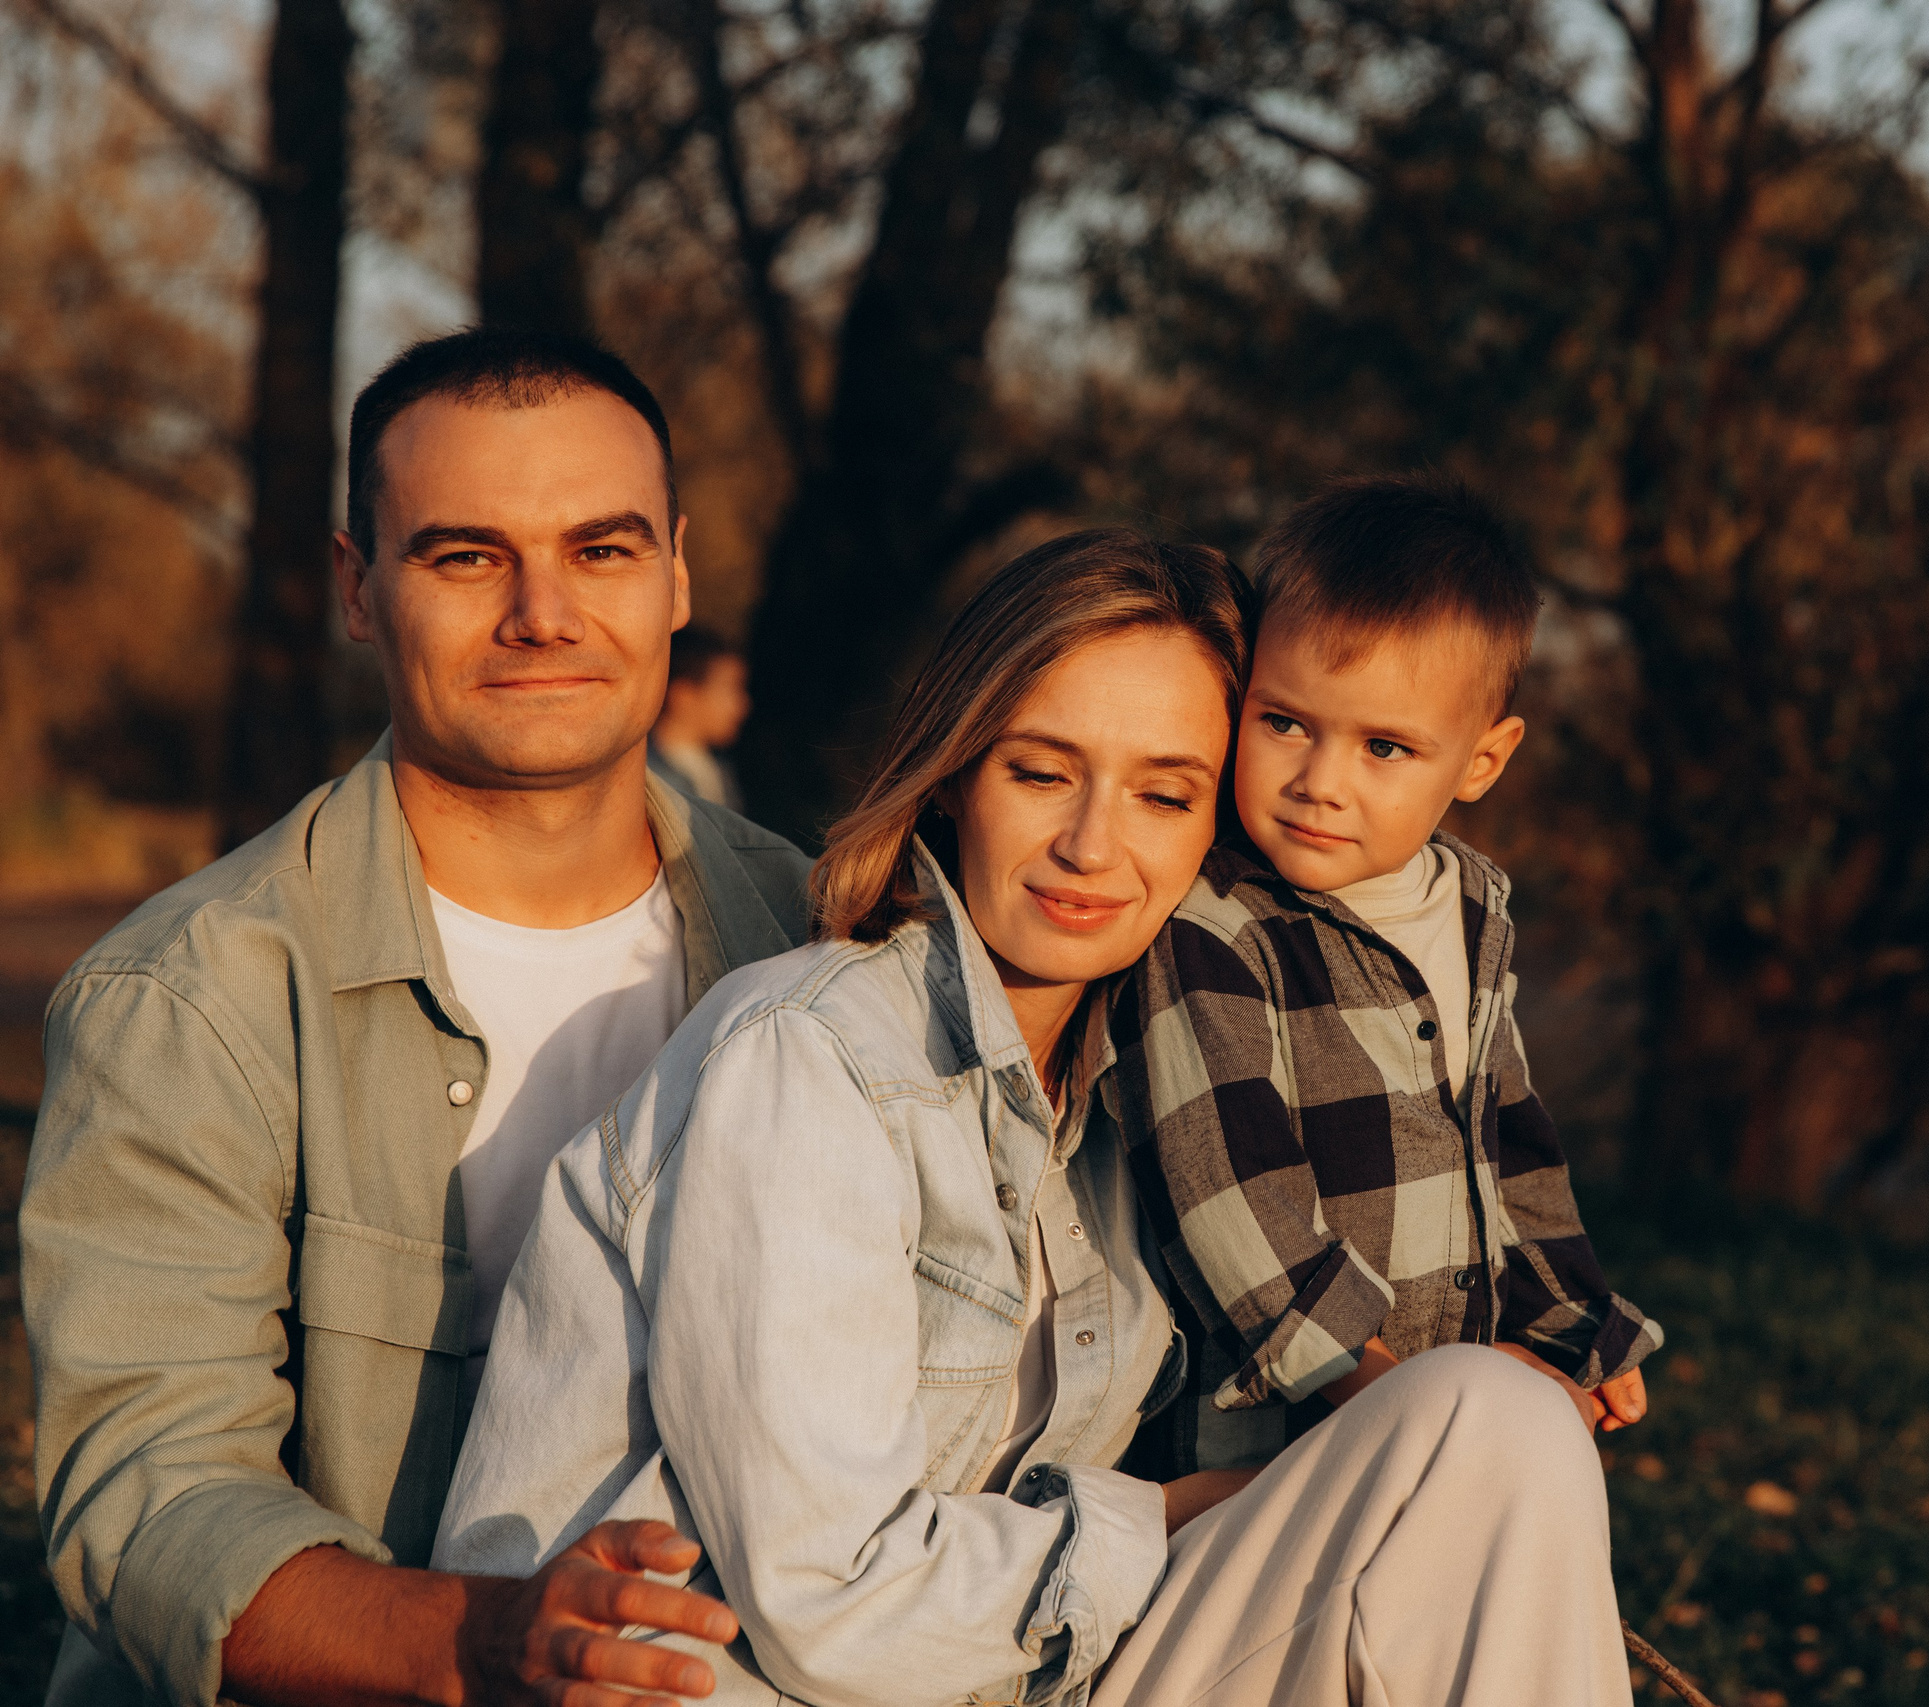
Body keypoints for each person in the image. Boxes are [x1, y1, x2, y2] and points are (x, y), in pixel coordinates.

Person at [435, 528, 1637, 1706]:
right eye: (1041, 771)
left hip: (1034, 1678)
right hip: (757, 1684)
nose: (1091, 845)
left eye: (1166, 796)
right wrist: (1185, 1515)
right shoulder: (809, 1059)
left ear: (1215, 825)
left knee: (1496, 1419)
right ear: (956, 771)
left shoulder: (1142, 1103)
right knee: (1453, 1431)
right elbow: (829, 1606)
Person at [22, 327, 808, 1707]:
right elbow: (149, 1496)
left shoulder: (815, 939)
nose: (543, 613)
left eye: (603, 549)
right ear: (358, 586)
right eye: (466, 555)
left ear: (678, 571)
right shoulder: (193, 997)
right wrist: (497, 1638)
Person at [1114, 475, 1660, 1476]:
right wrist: (1380, 1390)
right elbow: (1227, 1187)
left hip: (1447, 1397)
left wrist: (1571, 1327)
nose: (1321, 781)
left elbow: (1510, 1148)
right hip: (1277, 1439)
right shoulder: (1213, 922)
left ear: (1479, 763)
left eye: (1384, 747)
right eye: (1284, 723)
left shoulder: (1470, 905)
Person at [652, 627, 752, 811]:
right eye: (729, 689)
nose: (742, 705)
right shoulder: (648, 781)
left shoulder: (721, 772)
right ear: (683, 695)